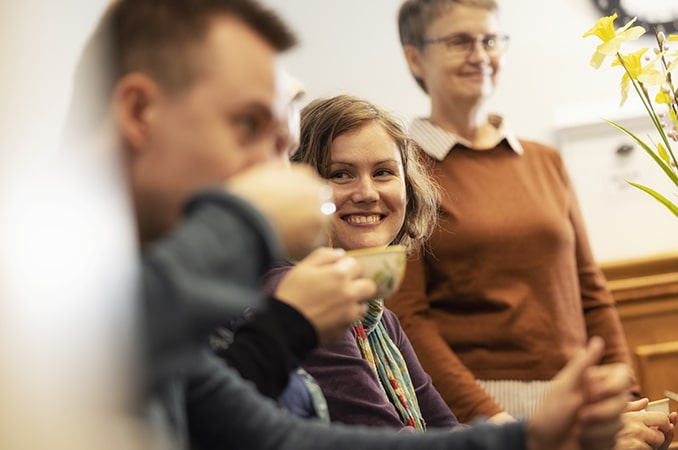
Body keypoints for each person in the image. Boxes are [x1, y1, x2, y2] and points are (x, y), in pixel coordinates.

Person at [66, 0, 634, 449]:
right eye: (247, 126)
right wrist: (257, 231)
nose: (274, 174)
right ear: (140, 112)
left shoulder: (185, 305)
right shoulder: (70, 282)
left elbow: (272, 436)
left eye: (280, 146)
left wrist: (537, 438)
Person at [391, 0, 676, 447]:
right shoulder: (403, 172)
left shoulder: (544, 160)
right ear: (415, 57)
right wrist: (498, 424)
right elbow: (408, 318)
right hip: (484, 409)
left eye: (489, 40)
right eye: (459, 41)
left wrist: (621, 394)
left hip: (583, 391)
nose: (480, 54)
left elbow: (590, 288)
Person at [261, 94, 456, 430]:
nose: (367, 193)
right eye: (340, 175)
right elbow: (385, 440)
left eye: (383, 172)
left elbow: (444, 427)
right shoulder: (300, 294)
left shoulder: (379, 318)